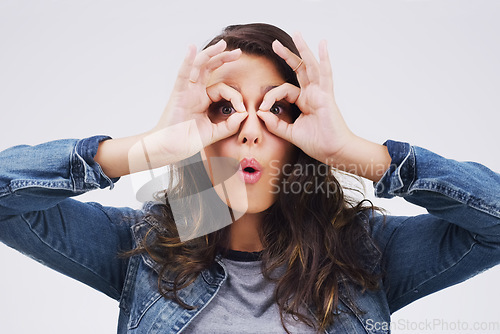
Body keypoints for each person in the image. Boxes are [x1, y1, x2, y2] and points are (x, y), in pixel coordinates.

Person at [0, 23, 499, 334]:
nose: (251, 132)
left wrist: (356, 152)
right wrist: (146, 147)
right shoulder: (140, 249)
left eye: (278, 109)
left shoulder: (368, 253)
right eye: (223, 108)